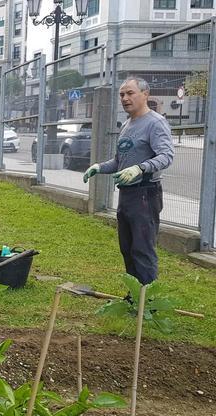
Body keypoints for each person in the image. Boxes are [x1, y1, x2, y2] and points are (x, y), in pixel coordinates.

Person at [83, 77, 174, 284]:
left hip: (145, 194)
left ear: (145, 94)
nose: (125, 98)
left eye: (130, 93)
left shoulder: (155, 123)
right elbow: (119, 160)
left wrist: (141, 168)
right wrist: (99, 167)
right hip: (127, 195)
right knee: (127, 248)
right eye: (122, 94)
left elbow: (166, 156)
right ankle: (134, 295)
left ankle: (147, 303)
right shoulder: (127, 125)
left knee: (142, 249)